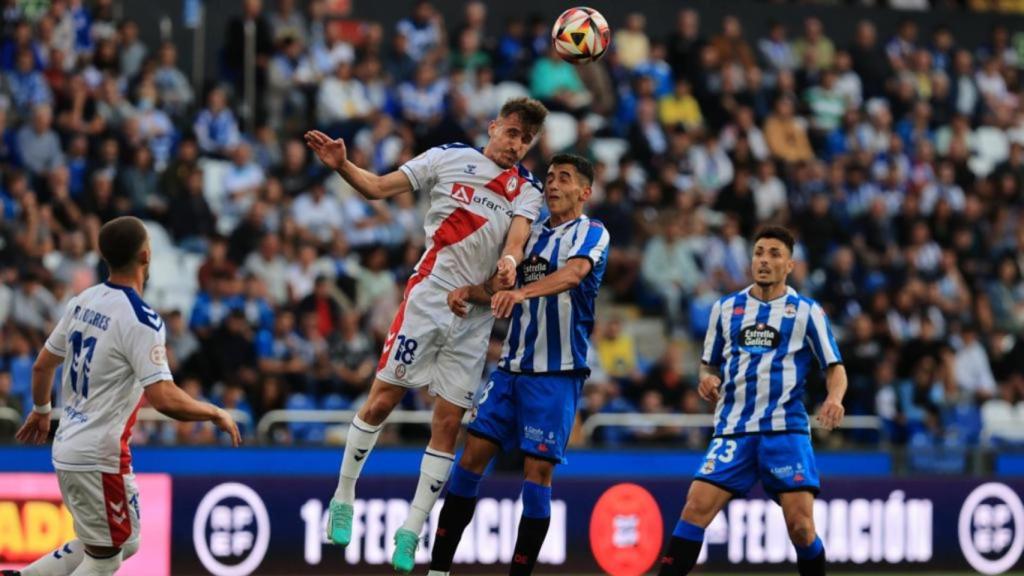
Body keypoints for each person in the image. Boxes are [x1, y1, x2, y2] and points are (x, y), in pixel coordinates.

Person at [304, 96, 548, 573]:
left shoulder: (527, 189)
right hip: (429, 295)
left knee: (448, 425)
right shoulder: (449, 156)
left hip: (474, 315)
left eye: (527, 139)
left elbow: (516, 243)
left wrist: (510, 263)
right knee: (381, 401)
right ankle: (344, 494)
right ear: (494, 125)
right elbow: (376, 188)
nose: (517, 145)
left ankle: (411, 530)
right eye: (513, 133)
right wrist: (342, 165)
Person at [7, 217, 241, 576]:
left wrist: (41, 410)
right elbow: (163, 398)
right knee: (107, 557)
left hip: (70, 446)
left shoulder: (83, 301)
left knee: (119, 541)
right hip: (100, 455)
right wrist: (212, 411)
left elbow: (42, 366)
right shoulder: (141, 321)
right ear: (146, 256)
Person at [426, 153, 609, 576]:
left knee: (538, 473)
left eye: (564, 178)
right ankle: (437, 570)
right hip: (510, 370)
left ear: (585, 191)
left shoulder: (592, 233)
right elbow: (501, 286)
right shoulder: (529, 237)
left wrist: (523, 295)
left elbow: (573, 275)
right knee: (469, 460)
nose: (553, 184)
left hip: (556, 374)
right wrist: (470, 292)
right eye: (549, 177)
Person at [656, 225, 847, 576]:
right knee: (694, 509)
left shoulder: (806, 312)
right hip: (734, 431)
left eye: (774, 253)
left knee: (801, 528)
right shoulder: (726, 309)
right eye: (759, 251)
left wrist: (834, 398)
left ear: (789, 265)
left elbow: (835, 367)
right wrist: (706, 379)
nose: (764, 259)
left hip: (785, 431)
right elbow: (707, 364)